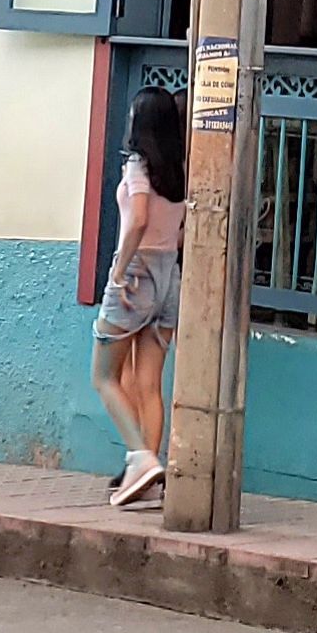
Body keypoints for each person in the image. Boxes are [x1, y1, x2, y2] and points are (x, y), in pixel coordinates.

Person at [94, 89, 186, 511]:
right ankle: (149, 479)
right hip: (169, 275)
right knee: (149, 383)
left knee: (103, 376)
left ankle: (140, 457)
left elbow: (139, 218)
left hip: (136, 274)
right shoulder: (179, 171)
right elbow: (180, 226)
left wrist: (118, 269)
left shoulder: (138, 167)